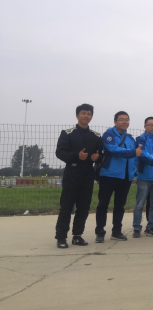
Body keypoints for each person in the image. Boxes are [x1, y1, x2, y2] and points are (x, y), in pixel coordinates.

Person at [54, 104, 103, 249]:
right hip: (72, 172)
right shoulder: (67, 133)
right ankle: (61, 237)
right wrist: (77, 156)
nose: (86, 116)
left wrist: (97, 158)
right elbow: (60, 152)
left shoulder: (96, 136)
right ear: (77, 115)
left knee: (84, 207)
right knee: (66, 206)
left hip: (88, 173)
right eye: (83, 113)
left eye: (89, 114)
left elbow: (101, 154)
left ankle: (77, 235)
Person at [95, 111, 140, 244]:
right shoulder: (109, 135)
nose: (125, 122)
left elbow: (136, 157)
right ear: (115, 122)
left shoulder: (130, 138)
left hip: (125, 177)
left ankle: (116, 231)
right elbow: (114, 150)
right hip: (109, 175)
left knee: (120, 205)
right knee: (103, 204)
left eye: (127, 119)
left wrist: (134, 172)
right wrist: (133, 152)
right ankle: (100, 231)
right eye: (121, 119)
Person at [133, 117, 153, 238]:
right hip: (144, 177)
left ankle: (151, 227)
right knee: (139, 204)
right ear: (145, 126)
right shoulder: (141, 139)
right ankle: (137, 228)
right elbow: (143, 154)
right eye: (150, 125)